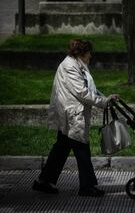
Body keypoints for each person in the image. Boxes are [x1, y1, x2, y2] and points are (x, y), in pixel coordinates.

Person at [32, 39, 119, 197]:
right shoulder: (70, 66)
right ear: (81, 53)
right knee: (82, 150)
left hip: (71, 113)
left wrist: (105, 98)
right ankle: (87, 186)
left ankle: (43, 181)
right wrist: (104, 102)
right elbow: (82, 92)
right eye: (89, 53)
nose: (91, 56)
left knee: (61, 148)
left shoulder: (76, 65)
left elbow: (88, 89)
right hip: (72, 115)